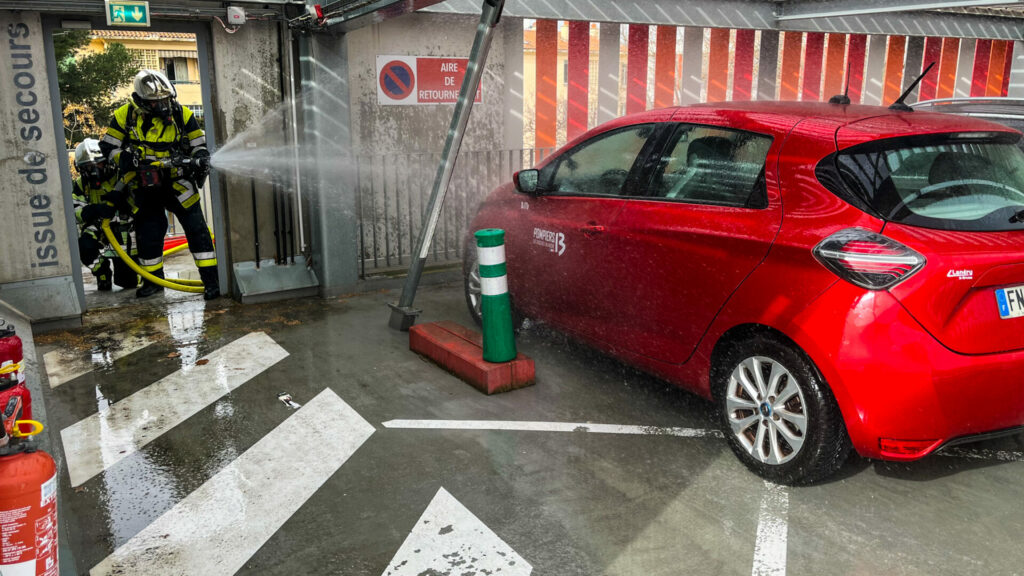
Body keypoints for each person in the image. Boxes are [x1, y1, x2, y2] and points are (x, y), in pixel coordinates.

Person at [100, 69, 219, 299]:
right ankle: (153, 281)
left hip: (179, 183)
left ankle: (211, 281)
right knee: (149, 234)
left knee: (198, 231)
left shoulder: (183, 114)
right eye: (156, 102)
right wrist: (123, 158)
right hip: (144, 185)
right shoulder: (125, 115)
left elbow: (198, 144)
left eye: (166, 100)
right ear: (141, 101)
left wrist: (200, 157)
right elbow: (108, 148)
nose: (163, 106)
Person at [72, 138, 139, 292]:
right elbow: (75, 211)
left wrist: (124, 203)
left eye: (97, 165)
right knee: (84, 245)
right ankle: (102, 272)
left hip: (124, 228)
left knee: (128, 283)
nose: (93, 170)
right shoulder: (82, 184)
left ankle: (132, 271)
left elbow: (139, 204)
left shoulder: (122, 176)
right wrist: (94, 210)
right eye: (87, 167)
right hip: (98, 227)